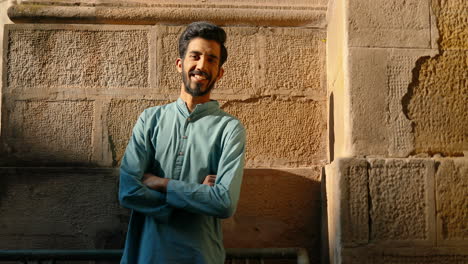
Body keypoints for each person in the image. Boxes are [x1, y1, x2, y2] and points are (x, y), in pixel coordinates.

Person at [118, 21, 246, 264]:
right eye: (195, 56)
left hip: (200, 256)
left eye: (211, 60)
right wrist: (197, 194)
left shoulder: (229, 129)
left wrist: (160, 182)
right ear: (180, 64)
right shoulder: (150, 119)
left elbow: (224, 202)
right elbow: (128, 191)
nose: (201, 65)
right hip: (146, 255)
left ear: (219, 72)